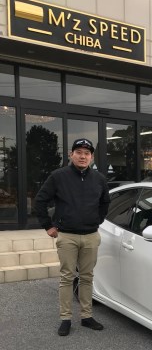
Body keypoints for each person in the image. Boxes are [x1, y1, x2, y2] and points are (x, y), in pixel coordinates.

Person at [34, 138, 110, 336]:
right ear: (71, 155)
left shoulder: (99, 179)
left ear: (92, 157)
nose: (83, 156)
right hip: (67, 235)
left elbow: (105, 202)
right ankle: (65, 318)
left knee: (87, 277)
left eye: (87, 153)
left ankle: (86, 316)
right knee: (67, 277)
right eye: (79, 152)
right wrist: (48, 226)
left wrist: (97, 220)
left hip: (91, 236)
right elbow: (40, 201)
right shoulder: (58, 176)